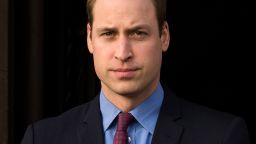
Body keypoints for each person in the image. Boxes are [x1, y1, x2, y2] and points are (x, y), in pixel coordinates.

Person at [21, 0, 250, 143]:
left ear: (164, 36)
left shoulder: (222, 136)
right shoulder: (42, 138)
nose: (123, 53)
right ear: (90, 38)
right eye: (109, 33)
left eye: (138, 33)